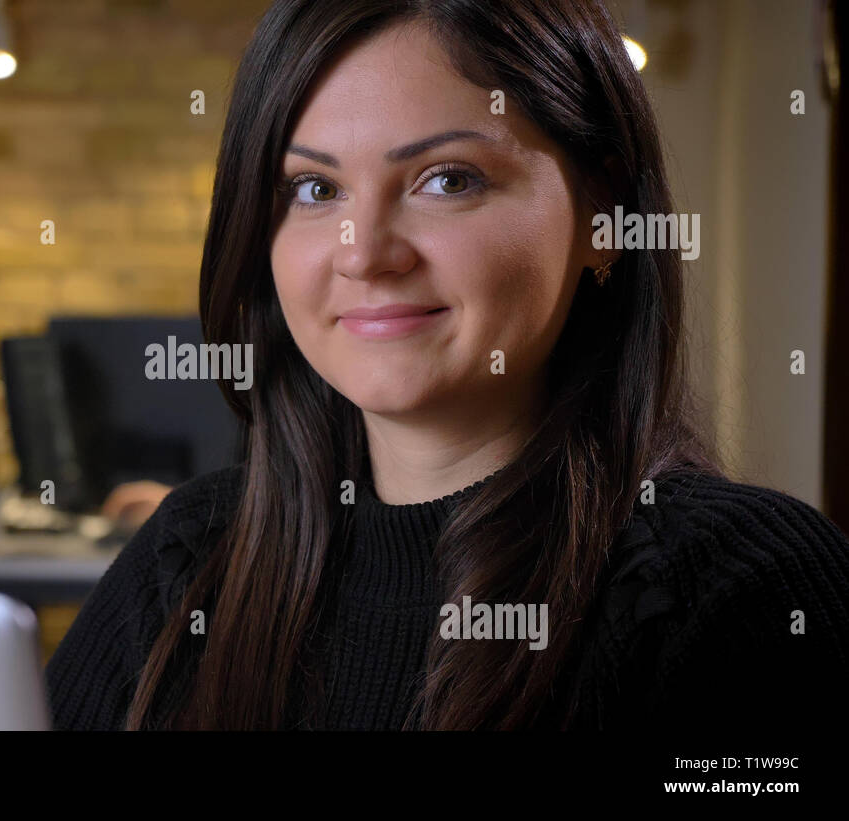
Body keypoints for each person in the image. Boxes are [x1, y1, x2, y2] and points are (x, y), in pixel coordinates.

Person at [46, 0, 849, 730]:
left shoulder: (742, 588)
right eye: (314, 190)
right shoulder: (185, 559)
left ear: (604, 217)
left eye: (447, 179)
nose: (364, 255)